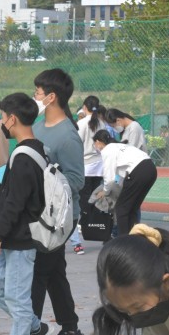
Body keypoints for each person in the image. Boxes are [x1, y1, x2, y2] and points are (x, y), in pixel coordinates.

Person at [0, 93, 47, 335]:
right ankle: (33, 328)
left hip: (20, 238)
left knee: (16, 294)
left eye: (3, 117)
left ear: (12, 119)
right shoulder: (25, 151)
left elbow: (14, 201)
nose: (3, 123)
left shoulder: (25, 156)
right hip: (12, 235)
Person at [31, 68, 87, 335]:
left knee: (40, 270)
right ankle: (70, 328)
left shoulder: (67, 136)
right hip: (40, 215)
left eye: (38, 93)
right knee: (53, 271)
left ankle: (29, 332)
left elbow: (77, 180)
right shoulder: (38, 126)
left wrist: (47, 182)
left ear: (51, 97)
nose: (35, 96)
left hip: (59, 219)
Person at [94, 130, 156, 237]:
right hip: (150, 169)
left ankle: (123, 241)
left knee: (121, 208)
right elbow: (122, 175)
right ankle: (134, 238)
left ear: (98, 142)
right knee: (132, 207)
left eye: (94, 144)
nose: (95, 147)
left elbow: (109, 177)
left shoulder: (107, 150)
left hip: (139, 171)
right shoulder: (119, 146)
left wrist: (105, 191)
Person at [71, 95, 107, 256]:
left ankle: (84, 222)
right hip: (99, 164)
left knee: (84, 196)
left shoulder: (81, 123)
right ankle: (94, 221)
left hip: (85, 164)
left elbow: (76, 144)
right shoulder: (101, 123)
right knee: (96, 194)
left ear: (84, 107)